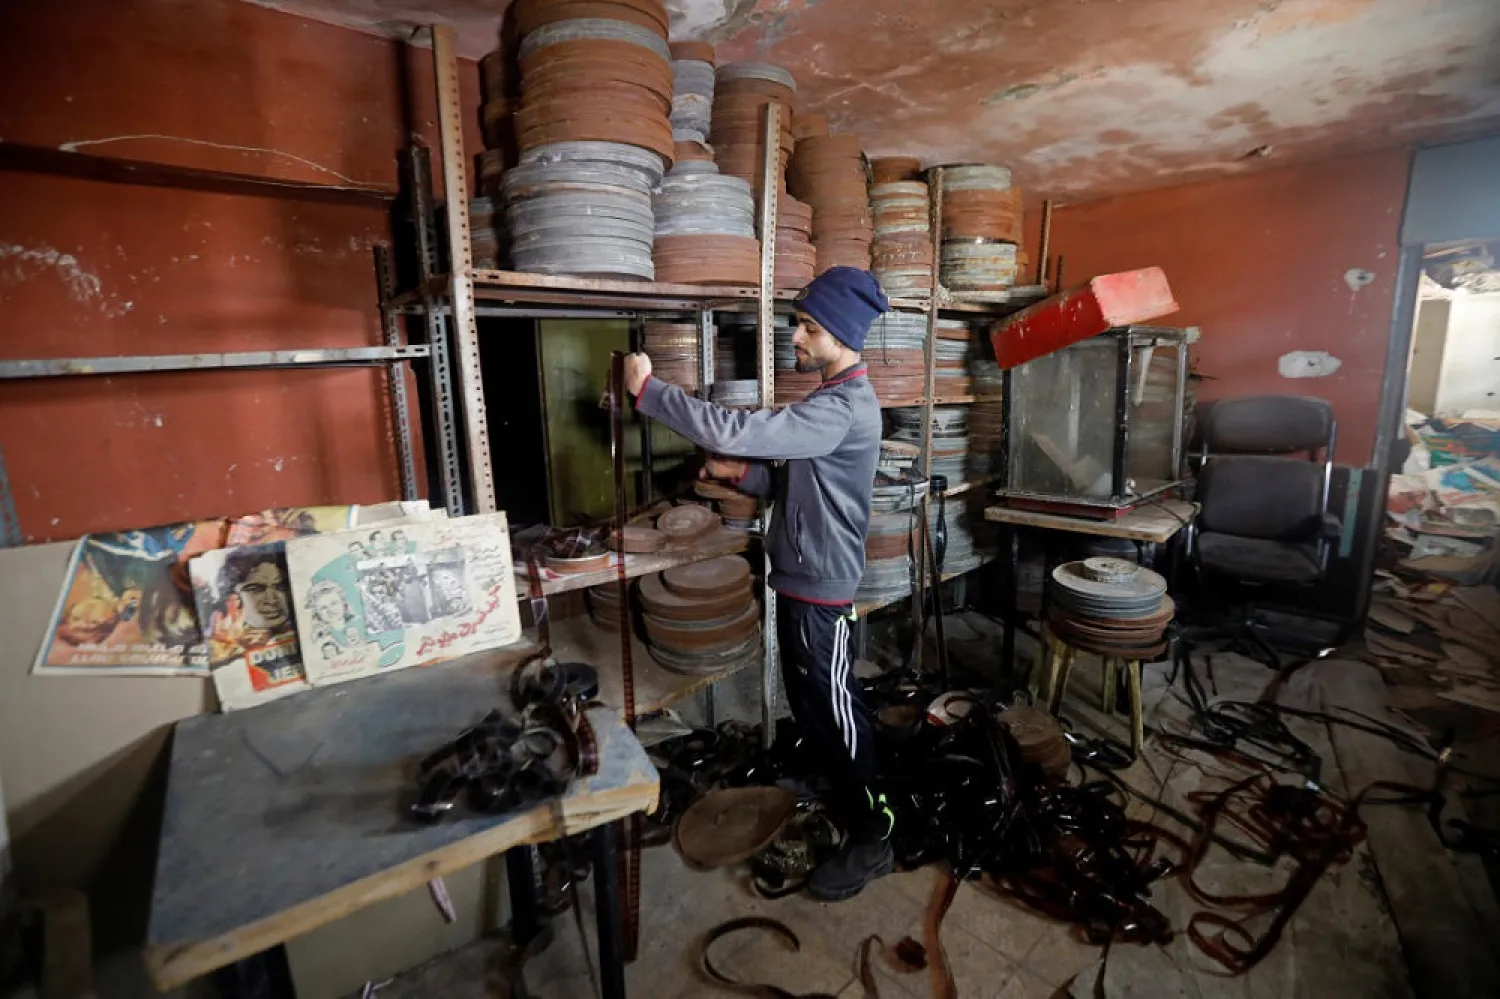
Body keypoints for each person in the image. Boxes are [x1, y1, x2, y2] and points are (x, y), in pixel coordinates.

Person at [622, 266, 893, 901]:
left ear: (840, 335)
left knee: (837, 710)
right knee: (809, 702)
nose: (795, 337)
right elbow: (791, 483)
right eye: (798, 324)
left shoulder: (841, 408)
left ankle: (876, 831)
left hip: (823, 587)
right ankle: (828, 782)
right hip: (801, 579)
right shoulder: (828, 406)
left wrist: (650, 392)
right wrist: (740, 477)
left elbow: (733, 428)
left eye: (808, 327)